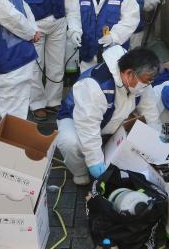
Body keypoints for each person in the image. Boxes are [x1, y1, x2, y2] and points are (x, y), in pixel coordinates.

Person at [56, 46, 163, 184]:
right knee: (69, 142)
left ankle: (105, 152)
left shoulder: (141, 84)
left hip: (110, 121)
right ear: (129, 73)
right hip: (75, 119)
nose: (148, 85)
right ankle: (80, 171)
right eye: (146, 81)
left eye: (150, 81)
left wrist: (156, 148)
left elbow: (151, 114)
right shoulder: (95, 85)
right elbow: (88, 127)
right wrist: (95, 163)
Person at [18, 0, 75, 120]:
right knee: (35, 65)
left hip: (58, 20)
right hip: (35, 23)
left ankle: (54, 101)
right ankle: (37, 103)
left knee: (56, 63)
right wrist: (26, 24)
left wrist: (70, 18)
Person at [68, 0, 139, 71]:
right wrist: (74, 30)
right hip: (88, 54)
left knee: (114, 85)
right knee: (88, 84)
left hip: (114, 54)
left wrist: (114, 36)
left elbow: (130, 20)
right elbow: (74, 15)